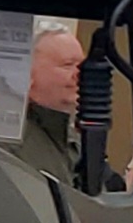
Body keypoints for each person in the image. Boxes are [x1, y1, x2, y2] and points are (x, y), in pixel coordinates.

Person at [8, 24, 87, 180]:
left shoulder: (79, 141)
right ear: (27, 73)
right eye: (68, 65)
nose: (79, 74)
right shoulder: (8, 141)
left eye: (82, 66)